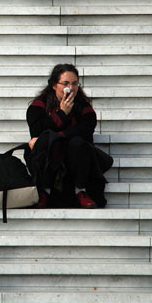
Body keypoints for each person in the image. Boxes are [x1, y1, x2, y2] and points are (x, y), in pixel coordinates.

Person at [26, 64, 113, 209]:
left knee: (77, 143)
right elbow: (36, 130)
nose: (70, 88)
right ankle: (45, 191)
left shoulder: (84, 107)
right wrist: (61, 114)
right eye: (65, 83)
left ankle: (80, 190)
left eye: (74, 83)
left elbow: (85, 130)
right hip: (49, 155)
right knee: (44, 142)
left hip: (76, 157)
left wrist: (59, 135)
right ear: (54, 85)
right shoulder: (39, 106)